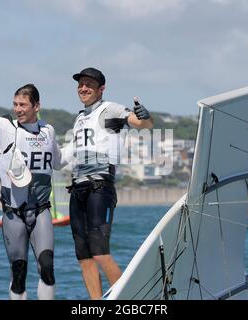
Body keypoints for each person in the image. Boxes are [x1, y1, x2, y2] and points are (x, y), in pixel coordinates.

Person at [0, 62, 64, 300]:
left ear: (37, 106)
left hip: (40, 210)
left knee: (47, 267)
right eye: (15, 104)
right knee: (19, 273)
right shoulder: (3, 127)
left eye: (23, 105)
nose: (17, 109)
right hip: (12, 212)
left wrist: (84, 149)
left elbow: (59, 161)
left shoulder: (49, 131)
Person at [67, 67, 154, 299]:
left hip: (100, 186)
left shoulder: (111, 108)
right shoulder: (79, 117)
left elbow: (141, 124)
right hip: (78, 188)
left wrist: (145, 116)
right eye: (81, 84)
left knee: (99, 251)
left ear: (101, 89)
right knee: (83, 255)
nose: (83, 88)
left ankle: (128, 300)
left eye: (89, 85)